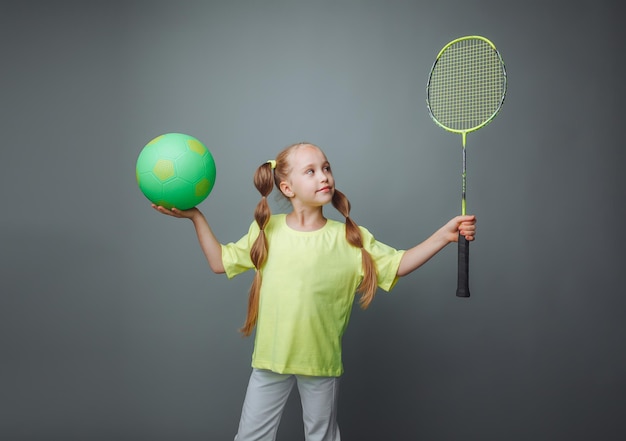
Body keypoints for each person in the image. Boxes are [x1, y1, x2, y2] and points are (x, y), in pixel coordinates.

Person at [152, 142, 476, 441]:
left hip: (321, 362)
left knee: (322, 437)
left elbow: (397, 264)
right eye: (311, 171)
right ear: (286, 187)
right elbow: (219, 262)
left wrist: (443, 237)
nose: (324, 177)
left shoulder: (349, 238)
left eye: (326, 168)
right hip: (270, 360)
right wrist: (196, 217)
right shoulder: (267, 231)